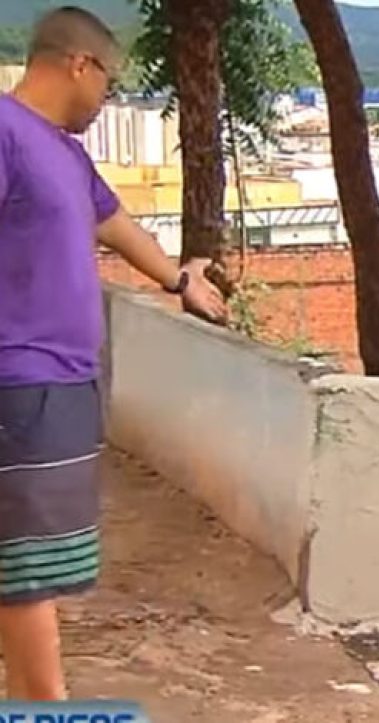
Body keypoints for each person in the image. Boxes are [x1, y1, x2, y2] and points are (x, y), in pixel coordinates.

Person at [0, 6, 226, 700]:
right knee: (26, 567)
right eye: (109, 81)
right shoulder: (6, 134)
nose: (107, 100)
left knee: (33, 561)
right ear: (79, 64)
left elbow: (113, 222)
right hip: (21, 380)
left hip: (62, 386)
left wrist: (177, 280)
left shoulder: (63, 152)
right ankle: (47, 705)